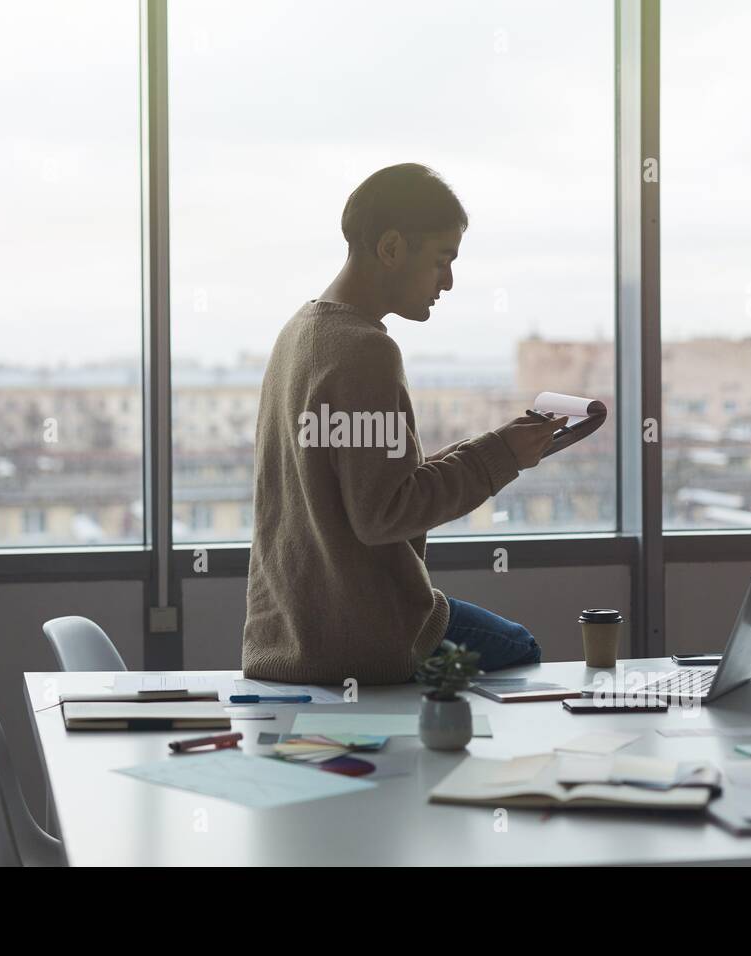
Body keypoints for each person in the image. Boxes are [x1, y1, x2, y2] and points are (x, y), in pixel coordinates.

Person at [242, 163, 567, 685]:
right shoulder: (365, 350)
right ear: (391, 247)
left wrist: (495, 447)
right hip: (361, 639)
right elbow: (383, 513)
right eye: (442, 260)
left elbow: (364, 482)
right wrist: (501, 459)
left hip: (287, 634)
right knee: (521, 648)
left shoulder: (299, 334)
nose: (449, 281)